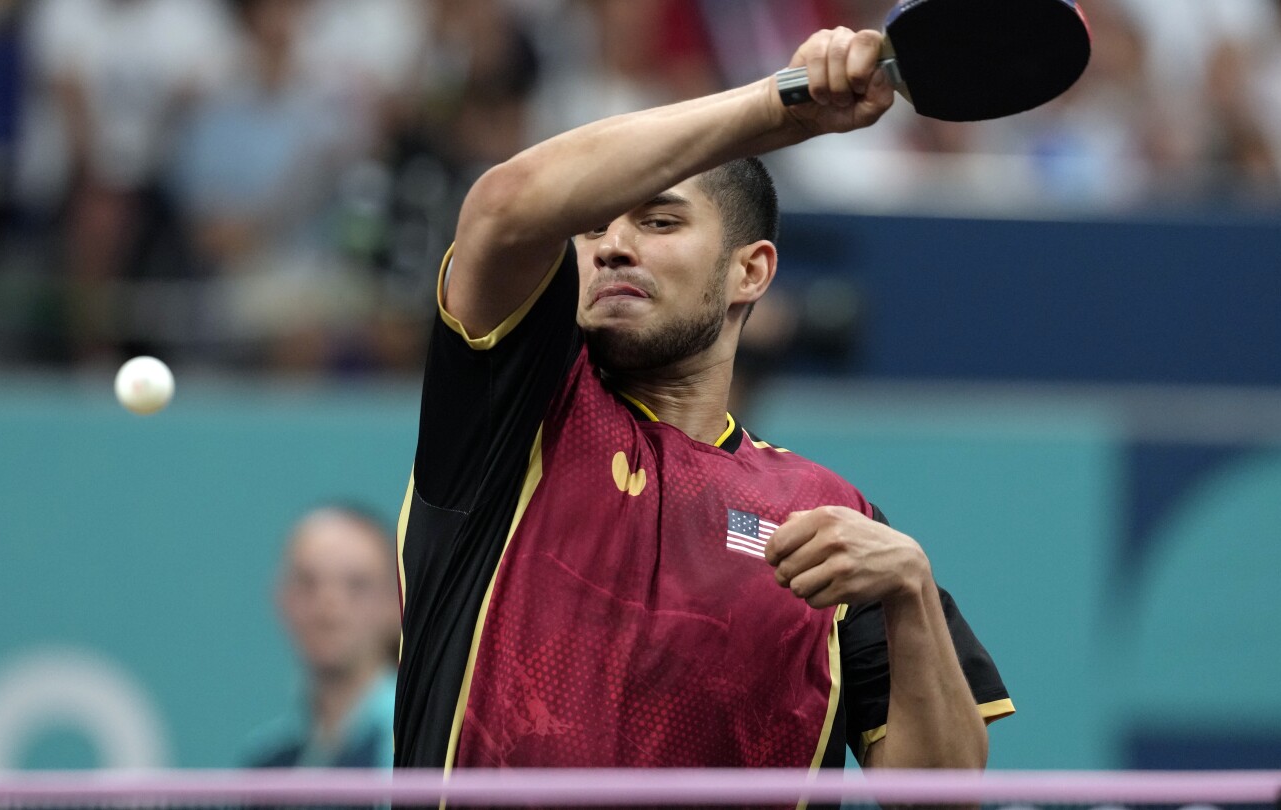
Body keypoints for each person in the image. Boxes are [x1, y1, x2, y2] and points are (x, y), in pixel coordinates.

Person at [395, 25, 1014, 782]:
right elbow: (506, 204)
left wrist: (911, 590)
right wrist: (783, 107)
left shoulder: (829, 519)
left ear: (750, 271)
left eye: (659, 222)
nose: (613, 246)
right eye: (593, 228)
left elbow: (941, 797)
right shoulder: (511, 415)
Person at [242, 506, 400, 769]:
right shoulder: (266, 762)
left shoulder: (421, 752)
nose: (329, 608)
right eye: (308, 583)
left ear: (397, 603)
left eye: (357, 585)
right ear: (281, 597)